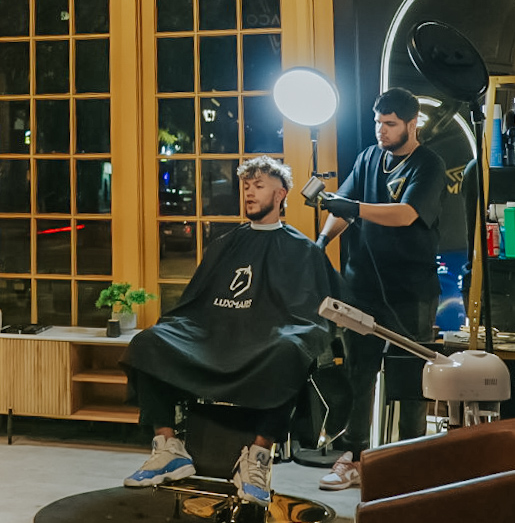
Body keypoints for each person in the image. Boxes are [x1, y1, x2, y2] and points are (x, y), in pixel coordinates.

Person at [120, 156, 342, 507]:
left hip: (267, 340)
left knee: (291, 350)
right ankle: (168, 447)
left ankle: (258, 455)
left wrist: (286, 331)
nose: (250, 194)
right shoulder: (226, 244)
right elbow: (196, 303)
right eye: (247, 187)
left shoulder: (302, 250)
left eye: (259, 187)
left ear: (281, 194)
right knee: (147, 341)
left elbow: (313, 313)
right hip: (216, 335)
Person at [312, 87, 445, 492]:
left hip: (411, 288)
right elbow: (343, 207)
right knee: (359, 373)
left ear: (411, 123)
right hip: (361, 287)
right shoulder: (368, 158)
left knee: (409, 380)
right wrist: (321, 244)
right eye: (377, 122)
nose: (382, 130)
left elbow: (406, 214)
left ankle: (408, 464)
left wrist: (354, 209)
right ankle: (353, 458)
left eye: (390, 124)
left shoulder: (429, 164)